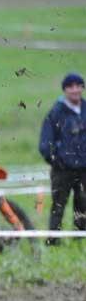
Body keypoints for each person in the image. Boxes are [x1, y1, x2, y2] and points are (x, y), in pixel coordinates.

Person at [39, 72, 86, 244]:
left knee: (83, 206)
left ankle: (79, 241)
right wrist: (57, 161)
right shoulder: (56, 113)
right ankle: (53, 241)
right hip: (62, 171)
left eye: (78, 86)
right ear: (65, 90)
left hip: (84, 170)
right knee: (58, 206)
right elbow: (45, 144)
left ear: (82, 88)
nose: (74, 90)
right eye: (70, 86)